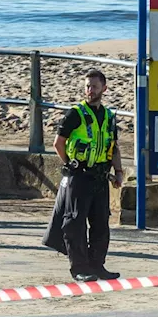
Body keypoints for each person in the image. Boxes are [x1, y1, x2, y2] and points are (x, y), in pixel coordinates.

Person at [42, 68, 124, 282]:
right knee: (75, 224)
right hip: (79, 177)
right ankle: (79, 268)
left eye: (94, 86)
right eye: (87, 86)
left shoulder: (109, 117)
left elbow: (113, 147)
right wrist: (70, 164)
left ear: (104, 89)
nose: (90, 90)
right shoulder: (75, 114)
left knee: (101, 224)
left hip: (100, 177)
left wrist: (119, 172)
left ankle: (97, 266)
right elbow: (58, 143)